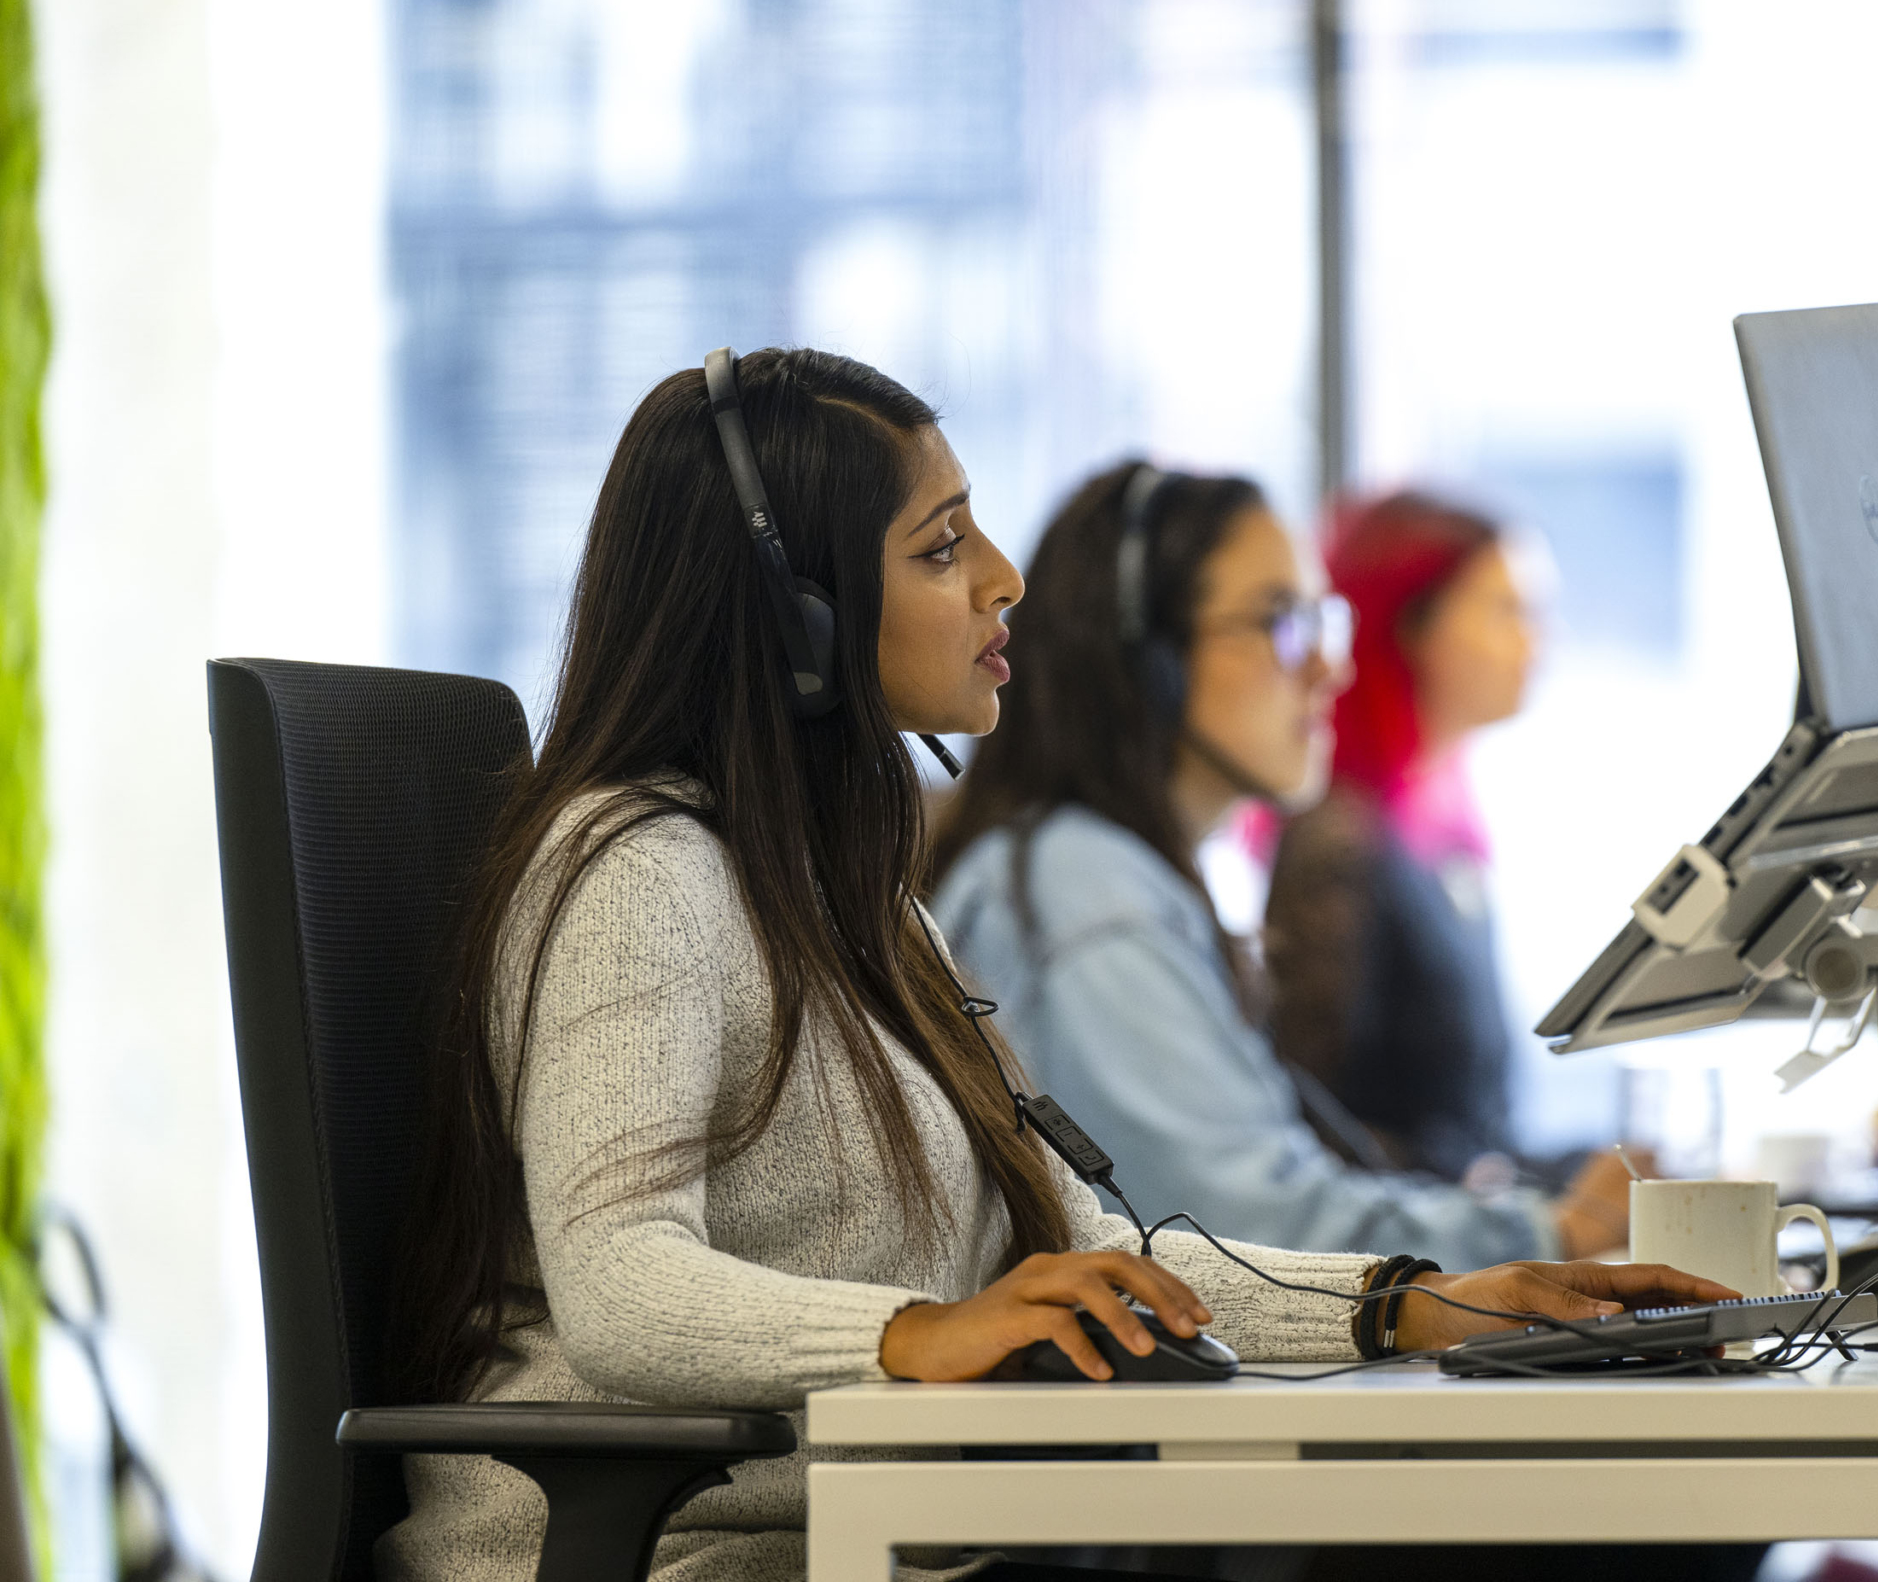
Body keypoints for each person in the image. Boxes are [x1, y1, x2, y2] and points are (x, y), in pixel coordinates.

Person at [380, 351, 1731, 1582]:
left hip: (881, 1540)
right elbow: (621, 1284)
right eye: (942, 544)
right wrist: (917, 1332)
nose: (1003, 576)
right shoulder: (637, 871)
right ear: (801, 618)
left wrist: (1412, 1300)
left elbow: (1089, 1247)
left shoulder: (852, 900)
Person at [930, 463, 1638, 1269]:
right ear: (1146, 653)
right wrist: (1552, 1234)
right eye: (1280, 621)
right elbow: (1242, 1223)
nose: (1329, 668)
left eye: (1323, 620)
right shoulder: (1083, 890)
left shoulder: (1116, 878)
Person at [1263, 492, 1535, 1185]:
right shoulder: (1338, 843)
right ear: (1410, 624)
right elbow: (1311, 1123)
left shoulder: (1439, 832)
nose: (1537, 640)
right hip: (1416, 1259)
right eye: (1507, 611)